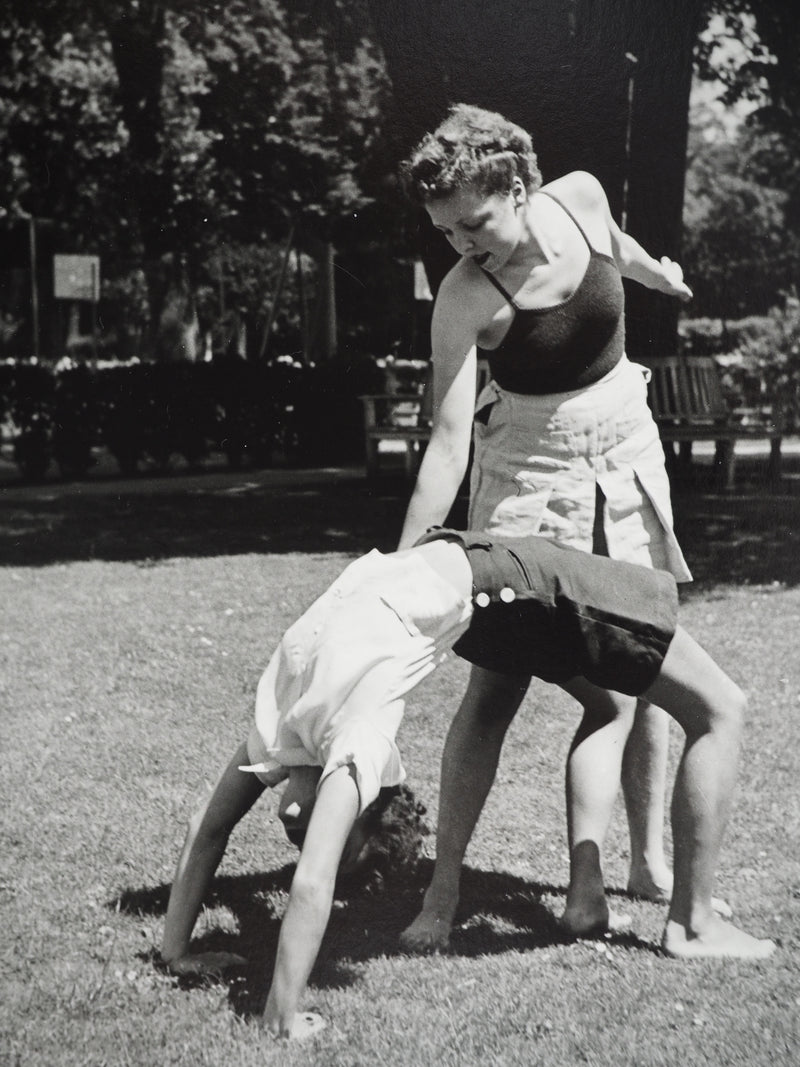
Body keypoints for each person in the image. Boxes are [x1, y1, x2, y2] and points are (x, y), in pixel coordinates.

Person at [161, 529, 773, 1040]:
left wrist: (189, 959)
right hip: (492, 588)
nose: (298, 830)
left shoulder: (284, 728)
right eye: (319, 831)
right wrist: (278, 1010)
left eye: (317, 829)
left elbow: (219, 833)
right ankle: (691, 928)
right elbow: (298, 870)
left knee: (640, 706)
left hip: (501, 578)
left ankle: (633, 909)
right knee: (723, 707)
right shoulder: (356, 742)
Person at [396, 103, 696, 949]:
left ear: (519, 187)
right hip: (526, 471)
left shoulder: (581, 198)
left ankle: (644, 863)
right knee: (496, 683)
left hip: (623, 448)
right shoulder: (465, 296)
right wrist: (405, 559)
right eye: (444, 230)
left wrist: (657, 276)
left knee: (647, 657)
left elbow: (618, 250)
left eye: (472, 222)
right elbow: (449, 441)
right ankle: (442, 892)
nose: (459, 243)